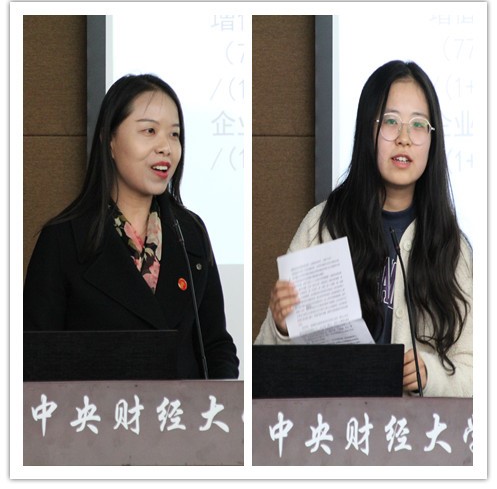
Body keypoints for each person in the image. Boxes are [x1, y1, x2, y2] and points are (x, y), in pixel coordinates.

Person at [255, 60, 472, 397]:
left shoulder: (452, 247)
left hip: (414, 429)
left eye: (418, 125)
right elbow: (268, 370)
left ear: (433, 139)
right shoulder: (323, 226)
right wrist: (280, 326)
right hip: (333, 424)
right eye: (390, 122)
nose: (403, 139)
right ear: (366, 130)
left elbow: (478, 371)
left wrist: (432, 376)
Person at [24, 73, 239, 380]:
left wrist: (220, 399)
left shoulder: (190, 232)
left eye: (174, 134)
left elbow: (215, 345)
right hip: (98, 409)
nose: (166, 147)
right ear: (109, 140)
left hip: (181, 409)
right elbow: (35, 357)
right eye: (149, 131)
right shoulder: (63, 238)